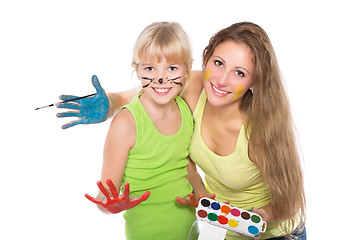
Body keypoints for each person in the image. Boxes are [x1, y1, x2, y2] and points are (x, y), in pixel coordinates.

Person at [57, 22, 306, 239]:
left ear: (254, 83)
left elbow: (293, 201)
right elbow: (150, 89)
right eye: (218, 63)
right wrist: (109, 103)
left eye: (239, 73)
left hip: (273, 232)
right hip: (216, 228)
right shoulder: (194, 86)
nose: (221, 80)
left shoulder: (259, 132)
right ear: (204, 61)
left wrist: (258, 217)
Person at [82, 22, 198, 240]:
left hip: (191, 231)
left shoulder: (184, 108)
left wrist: (205, 198)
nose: (161, 78)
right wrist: (111, 205)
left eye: (172, 68)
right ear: (137, 69)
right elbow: (106, 197)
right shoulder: (127, 123)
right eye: (150, 68)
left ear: (187, 69)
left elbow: (185, 165)